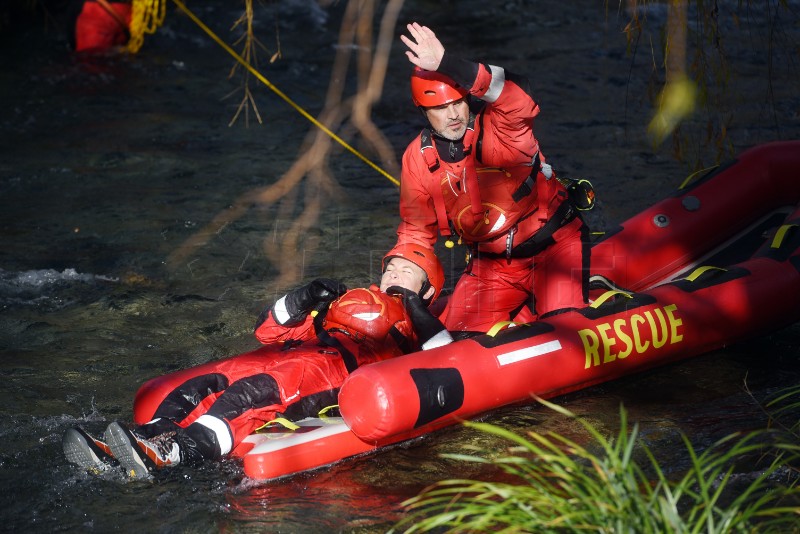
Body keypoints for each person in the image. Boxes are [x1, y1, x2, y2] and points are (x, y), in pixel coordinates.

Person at [63, 244, 452, 478]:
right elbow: (267, 332)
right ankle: (147, 439)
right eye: (392, 268)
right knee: (210, 382)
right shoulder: (346, 301)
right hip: (297, 354)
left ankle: (180, 451)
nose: (395, 276)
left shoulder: (419, 327)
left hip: (331, 374)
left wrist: (417, 309)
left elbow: (446, 360)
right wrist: (303, 299)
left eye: (408, 272)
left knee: (254, 393)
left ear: (429, 289)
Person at [394, 22, 590, 334]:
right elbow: (416, 232)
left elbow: (519, 93)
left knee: (563, 333)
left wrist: (447, 64)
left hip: (553, 250)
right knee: (456, 341)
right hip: (493, 267)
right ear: (423, 111)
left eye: (457, 102)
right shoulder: (417, 158)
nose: (453, 114)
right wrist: (399, 274)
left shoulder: (503, 127)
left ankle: (547, 307)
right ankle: (524, 311)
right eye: (441, 108)